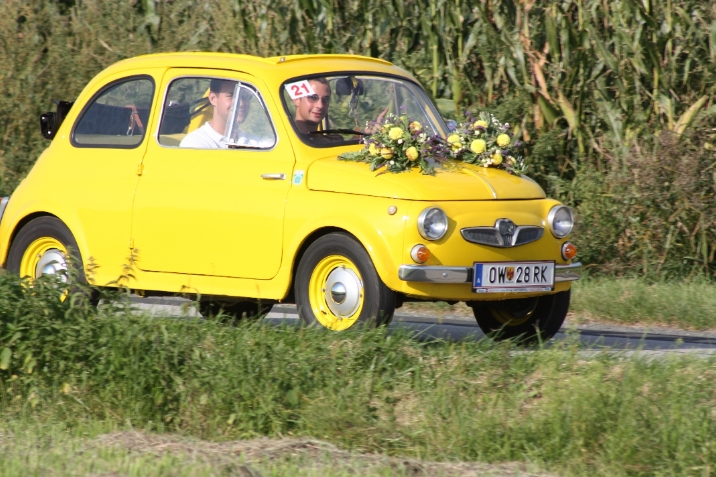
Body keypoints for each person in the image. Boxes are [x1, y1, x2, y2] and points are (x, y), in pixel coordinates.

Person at [180, 79, 251, 148]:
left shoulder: (255, 143)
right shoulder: (195, 144)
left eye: (245, 96)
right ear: (213, 99)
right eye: (232, 96)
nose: (241, 103)